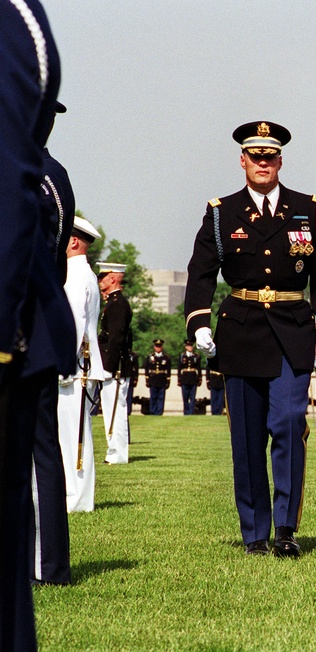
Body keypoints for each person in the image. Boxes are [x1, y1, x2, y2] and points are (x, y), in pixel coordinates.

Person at [184, 121, 316, 557]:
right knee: (247, 438)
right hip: (242, 332)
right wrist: (199, 323)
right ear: (243, 160)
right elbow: (200, 274)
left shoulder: (309, 209)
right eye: (255, 156)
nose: (263, 163)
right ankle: (255, 533)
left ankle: (286, 528)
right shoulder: (221, 212)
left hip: (292, 330)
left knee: (289, 423)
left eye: (270, 156)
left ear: (280, 160)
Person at [1, 2, 73, 646]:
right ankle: (45, 561)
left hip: (19, 332)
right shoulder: (54, 176)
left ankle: (49, 561)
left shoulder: (46, 178)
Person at [30, 101, 76, 587]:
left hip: (27, 322)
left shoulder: (42, 175)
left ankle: (47, 565)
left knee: (38, 444)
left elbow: (49, 260)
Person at [59, 216, 107, 513]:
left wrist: (63, 364)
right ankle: (75, 496)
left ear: (74, 241)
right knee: (72, 432)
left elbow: (74, 323)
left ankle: (76, 499)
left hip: (75, 368)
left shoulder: (76, 275)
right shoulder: (80, 273)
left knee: (73, 435)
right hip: (79, 367)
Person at [96, 261, 132, 463]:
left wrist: (108, 367)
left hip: (114, 366)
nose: (100, 281)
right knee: (111, 409)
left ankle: (117, 454)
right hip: (112, 364)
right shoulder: (113, 302)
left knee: (115, 410)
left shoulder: (117, 304)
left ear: (112, 278)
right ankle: (114, 451)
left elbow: (116, 339)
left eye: (102, 277)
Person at [144, 339, 170, 416]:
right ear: (154, 347)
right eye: (157, 346)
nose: (158, 348)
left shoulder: (166, 358)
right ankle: (153, 411)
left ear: (162, 347)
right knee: (153, 397)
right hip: (153, 379)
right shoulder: (150, 357)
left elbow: (168, 370)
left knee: (161, 397)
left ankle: (159, 412)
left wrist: (168, 381)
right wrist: (147, 379)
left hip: (162, 379)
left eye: (159, 346)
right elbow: (147, 369)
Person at [177, 340, 202, 415]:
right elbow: (179, 368)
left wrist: (199, 378)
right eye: (188, 346)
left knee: (192, 398)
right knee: (185, 397)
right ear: (185, 347)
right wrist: (179, 379)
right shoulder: (182, 356)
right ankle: (186, 412)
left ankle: (191, 412)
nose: (190, 347)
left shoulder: (196, 356)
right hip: (184, 379)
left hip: (193, 379)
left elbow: (198, 368)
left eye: (191, 346)